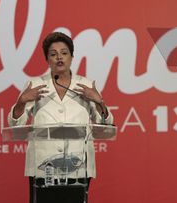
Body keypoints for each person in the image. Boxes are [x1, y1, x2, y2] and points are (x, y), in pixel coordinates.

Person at [8, 32, 114, 203]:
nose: (59, 57)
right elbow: (15, 124)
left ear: (72, 57)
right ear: (47, 59)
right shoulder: (34, 85)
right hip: (43, 166)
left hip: (77, 166)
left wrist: (100, 102)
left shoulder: (86, 85)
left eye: (64, 53)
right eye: (53, 54)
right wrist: (21, 103)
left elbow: (106, 126)